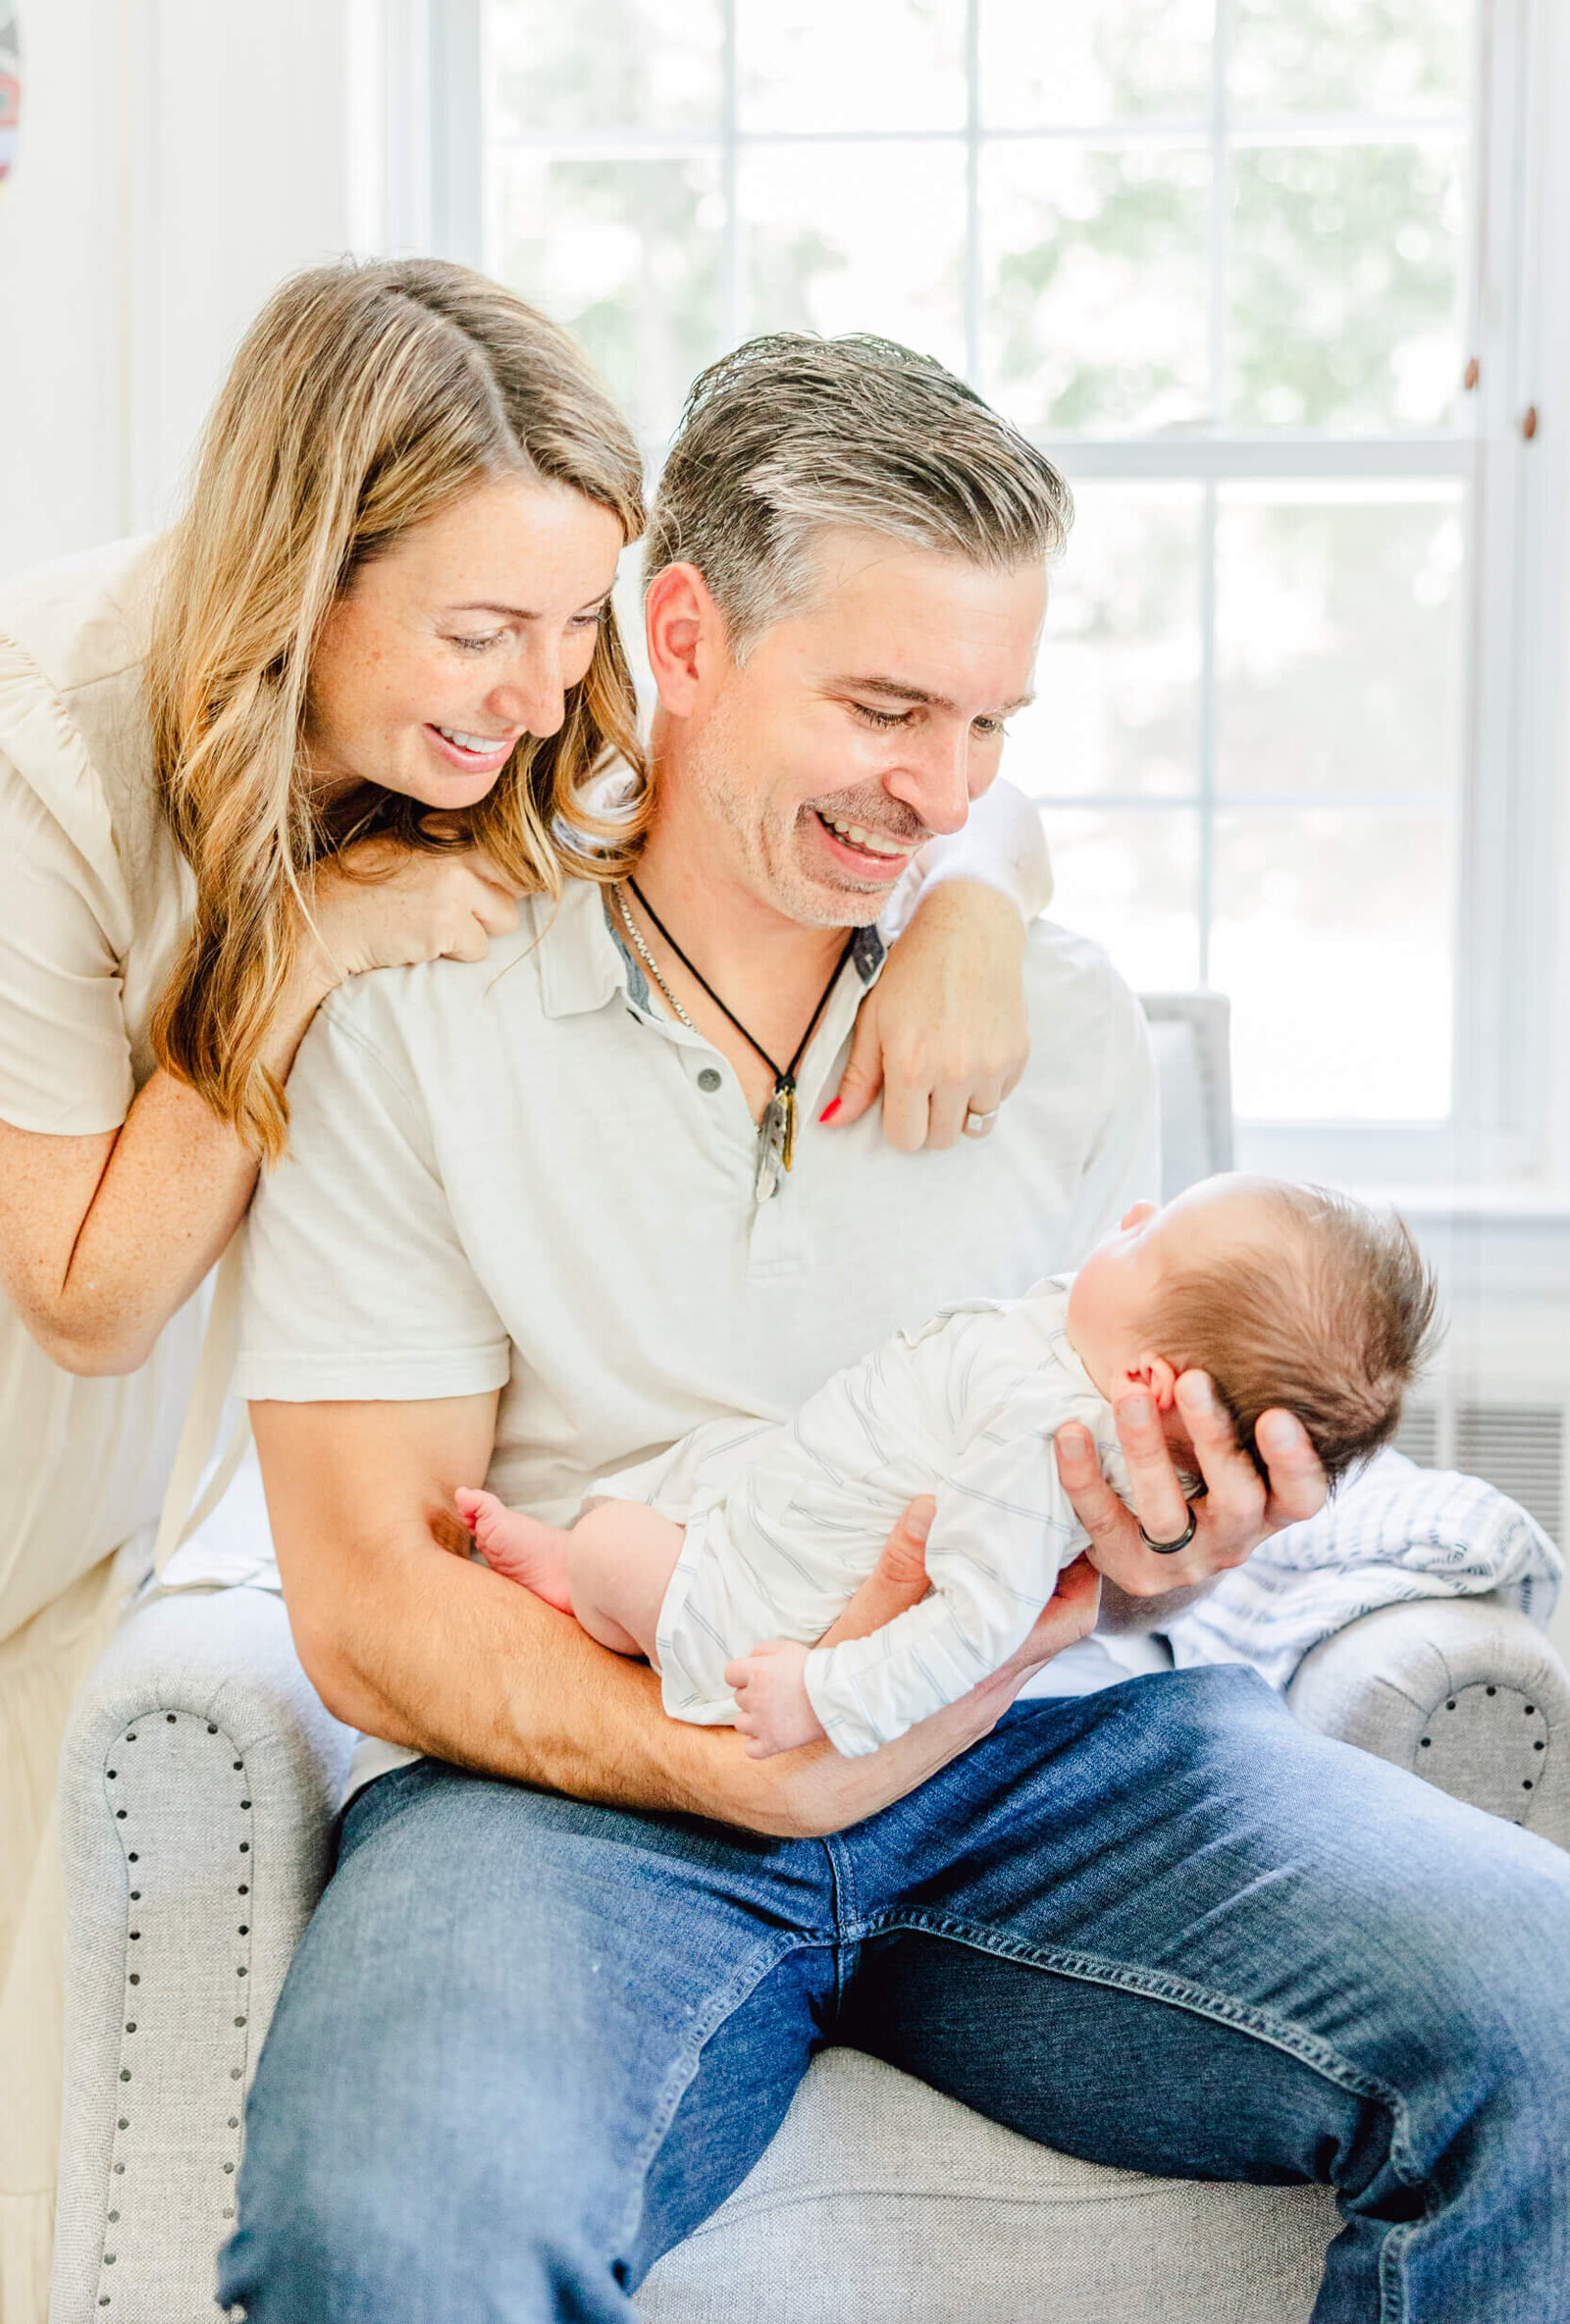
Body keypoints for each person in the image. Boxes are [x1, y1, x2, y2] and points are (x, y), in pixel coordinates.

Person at [224, 331, 1569, 2323]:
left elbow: (1093, 1520)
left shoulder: (1054, 1018)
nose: (936, 790)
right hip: (581, 1792)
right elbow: (366, 1597)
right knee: (390, 2235)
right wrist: (759, 1774)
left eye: (989, 726)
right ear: (680, 634)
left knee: (1539, 2008)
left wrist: (1152, 1562)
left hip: (1045, 1768)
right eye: (880, 705)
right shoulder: (419, 1020)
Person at [0, 269, 1045, 2320]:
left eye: (575, 626)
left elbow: (819, 768)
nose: (538, 693)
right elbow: (90, 1297)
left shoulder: (510, 713)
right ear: (303, 580)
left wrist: (976, 900)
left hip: (109, 1486)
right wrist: (297, 949)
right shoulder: (52, 745)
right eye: (482, 632)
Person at [458, 1175, 1439, 1760]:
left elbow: (977, 1622)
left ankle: (580, 1591)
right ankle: (612, 1586)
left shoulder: (1043, 1438)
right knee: (703, 1461)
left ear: (1148, 1376)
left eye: (1143, 1235)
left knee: (612, 1542)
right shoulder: (1078, 1341)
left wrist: (825, 1692)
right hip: (777, 1509)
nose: (1130, 1209)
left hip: (784, 1622)